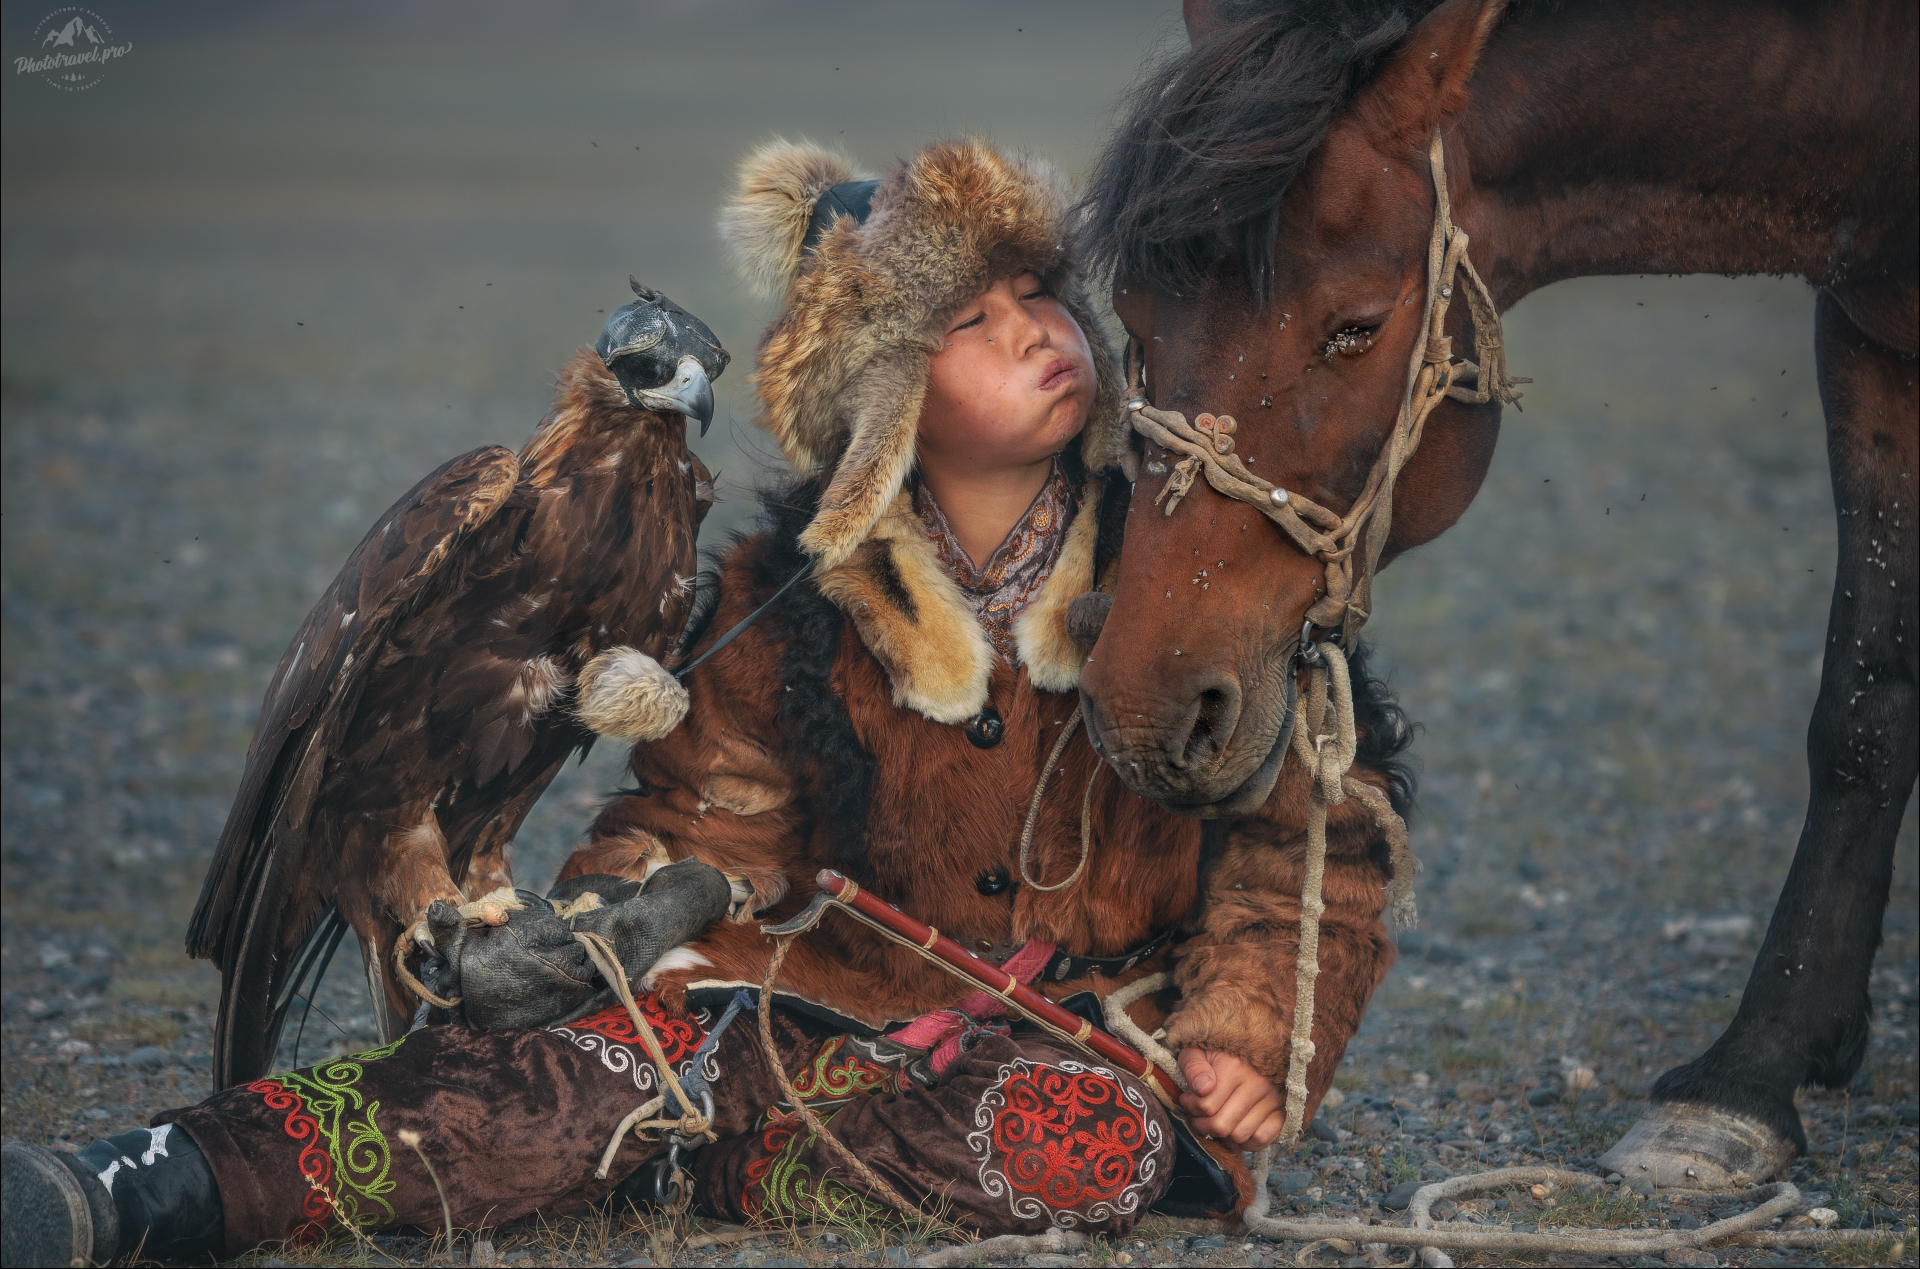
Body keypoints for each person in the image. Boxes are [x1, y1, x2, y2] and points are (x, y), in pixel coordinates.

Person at [3, 140, 1409, 1265]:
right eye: (973, 322)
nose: (1041, 331)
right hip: (806, 1015)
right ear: (885, 401)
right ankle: (156, 1186)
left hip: (1101, 1030)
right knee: (532, 1081)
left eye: (1041, 295)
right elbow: (702, 820)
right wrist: (617, 930)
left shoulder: (1197, 570)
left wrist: (1240, 1038)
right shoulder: (784, 598)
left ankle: (704, 1162)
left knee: (1073, 1145)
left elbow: (1314, 846)